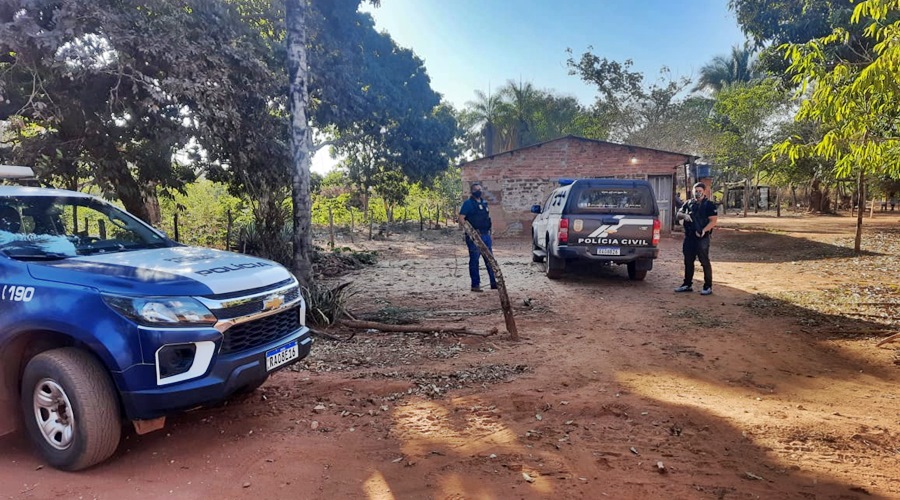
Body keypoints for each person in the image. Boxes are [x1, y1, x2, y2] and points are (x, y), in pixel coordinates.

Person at [674, 182, 718, 295]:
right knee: (688, 261)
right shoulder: (688, 203)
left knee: (704, 261)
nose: (697, 193)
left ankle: (708, 286)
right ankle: (687, 284)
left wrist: (704, 230)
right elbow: (678, 214)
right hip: (689, 237)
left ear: (704, 192)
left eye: (699, 191)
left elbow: (713, 221)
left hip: (702, 236)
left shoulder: (709, 205)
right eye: (696, 191)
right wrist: (685, 216)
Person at [458, 182, 497, 292]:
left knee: (490, 260)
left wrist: (491, 233)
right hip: (474, 237)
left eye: (480, 189)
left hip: (486, 235)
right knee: (475, 260)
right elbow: (461, 218)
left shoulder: (484, 203)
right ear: (472, 191)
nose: (479, 191)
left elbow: (488, 219)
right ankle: (475, 285)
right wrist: (470, 232)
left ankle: (494, 283)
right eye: (476, 190)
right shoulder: (468, 204)